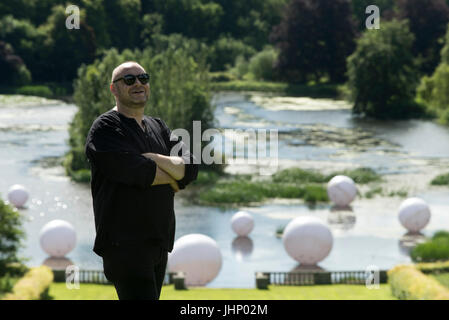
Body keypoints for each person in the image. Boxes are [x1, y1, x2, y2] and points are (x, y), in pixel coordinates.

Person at [85, 61, 199, 300]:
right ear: (113, 89)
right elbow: (138, 173)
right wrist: (172, 173)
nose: (138, 83)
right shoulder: (105, 129)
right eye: (129, 80)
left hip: (159, 242)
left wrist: (153, 158)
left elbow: (191, 168)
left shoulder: (159, 126)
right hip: (124, 245)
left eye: (143, 78)